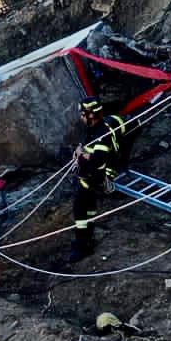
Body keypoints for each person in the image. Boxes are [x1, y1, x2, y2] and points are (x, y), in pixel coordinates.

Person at [71, 99, 131, 262]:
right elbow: (87, 148)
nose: (81, 117)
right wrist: (82, 152)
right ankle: (87, 240)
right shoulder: (94, 128)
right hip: (92, 177)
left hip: (96, 177)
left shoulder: (101, 133)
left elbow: (98, 159)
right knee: (88, 209)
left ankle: (82, 246)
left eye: (83, 114)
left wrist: (83, 157)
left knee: (80, 209)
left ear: (90, 115)